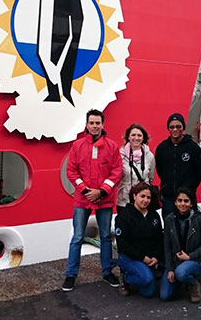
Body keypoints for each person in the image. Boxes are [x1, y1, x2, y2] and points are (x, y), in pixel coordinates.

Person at [62, 109, 122, 292]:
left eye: (98, 123)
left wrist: (102, 191)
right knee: (77, 237)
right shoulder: (77, 146)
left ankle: (106, 271)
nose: (95, 126)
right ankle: (71, 274)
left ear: (103, 125)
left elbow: (117, 170)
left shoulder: (111, 146)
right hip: (83, 198)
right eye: (92, 123)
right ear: (86, 125)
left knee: (105, 236)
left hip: (104, 199)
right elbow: (71, 171)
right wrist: (85, 189)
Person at [160, 187, 201, 303]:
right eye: (179, 200)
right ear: (175, 202)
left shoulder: (200, 220)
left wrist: (190, 256)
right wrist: (169, 269)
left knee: (181, 273)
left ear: (191, 203)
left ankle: (194, 283)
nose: (183, 204)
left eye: (186, 201)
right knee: (165, 295)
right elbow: (167, 246)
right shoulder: (169, 220)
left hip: (196, 260)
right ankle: (181, 279)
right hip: (176, 261)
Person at [115, 182, 163, 298]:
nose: (145, 200)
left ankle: (141, 275)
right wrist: (143, 258)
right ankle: (125, 278)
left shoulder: (154, 215)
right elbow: (122, 245)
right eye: (142, 196)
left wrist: (156, 257)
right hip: (130, 257)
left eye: (148, 197)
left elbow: (159, 239)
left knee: (149, 293)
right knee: (147, 279)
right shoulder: (124, 216)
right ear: (134, 196)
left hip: (149, 258)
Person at [155, 113, 201, 220]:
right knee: (170, 226)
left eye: (178, 127)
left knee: (189, 227)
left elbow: (199, 171)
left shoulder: (193, 147)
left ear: (183, 128)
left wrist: (189, 188)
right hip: (168, 198)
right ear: (168, 128)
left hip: (187, 197)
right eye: (172, 127)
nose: (175, 129)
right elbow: (160, 170)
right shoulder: (162, 148)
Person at [116, 123, 155, 213]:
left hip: (143, 202)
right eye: (133, 135)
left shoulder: (149, 156)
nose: (136, 138)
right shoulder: (119, 155)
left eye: (139, 135)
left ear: (143, 138)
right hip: (124, 201)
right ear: (128, 137)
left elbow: (150, 178)